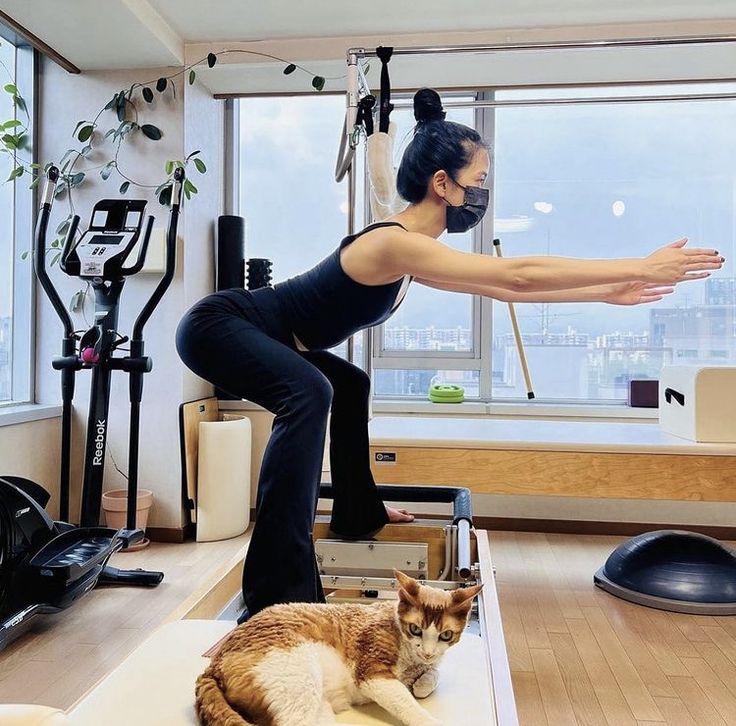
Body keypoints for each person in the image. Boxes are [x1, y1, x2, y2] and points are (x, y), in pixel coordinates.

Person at [176, 88, 723, 618]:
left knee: (348, 385)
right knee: (310, 390)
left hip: (262, 333)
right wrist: (637, 267)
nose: (483, 192)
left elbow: (508, 289)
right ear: (444, 183)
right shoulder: (392, 242)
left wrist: (609, 293)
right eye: (478, 181)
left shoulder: (413, 252)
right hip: (220, 324)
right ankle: (276, 590)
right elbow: (519, 273)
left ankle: (356, 510)